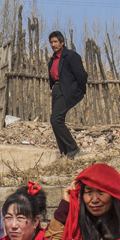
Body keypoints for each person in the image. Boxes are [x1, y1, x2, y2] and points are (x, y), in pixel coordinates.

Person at [45, 30, 88, 159]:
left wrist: (76, 90)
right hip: (57, 90)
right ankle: (64, 153)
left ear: (62, 42)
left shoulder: (71, 56)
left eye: (55, 41)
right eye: (51, 42)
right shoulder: (52, 60)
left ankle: (73, 148)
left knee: (56, 119)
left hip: (66, 90)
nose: (53, 45)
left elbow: (82, 76)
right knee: (57, 121)